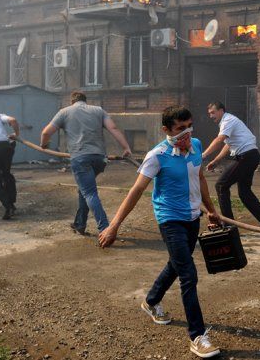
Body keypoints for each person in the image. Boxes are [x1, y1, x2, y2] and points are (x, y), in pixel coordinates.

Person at [99, 106, 222, 359]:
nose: (187, 134)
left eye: (189, 127)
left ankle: (151, 301)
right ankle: (198, 336)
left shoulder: (196, 145)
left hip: (192, 218)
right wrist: (114, 225)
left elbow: (200, 178)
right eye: (180, 129)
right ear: (166, 130)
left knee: (176, 265)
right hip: (170, 220)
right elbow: (136, 191)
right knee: (188, 274)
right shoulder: (157, 156)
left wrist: (211, 210)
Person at [40, 91, 132, 235]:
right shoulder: (99, 110)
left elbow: (46, 133)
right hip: (100, 159)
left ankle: (105, 229)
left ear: (72, 101)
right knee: (84, 189)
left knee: (89, 193)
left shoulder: (64, 112)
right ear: (85, 100)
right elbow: (113, 128)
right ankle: (80, 224)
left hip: (80, 158)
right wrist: (126, 147)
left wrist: (44, 145)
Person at [202, 101, 260, 229]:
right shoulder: (227, 122)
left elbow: (219, 140)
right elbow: (228, 144)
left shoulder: (228, 121)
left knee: (221, 185)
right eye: (209, 113)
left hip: (246, 157)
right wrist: (215, 161)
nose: (211, 116)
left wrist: (203, 155)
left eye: (213, 112)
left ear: (221, 111)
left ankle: (229, 224)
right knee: (245, 193)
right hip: (250, 156)